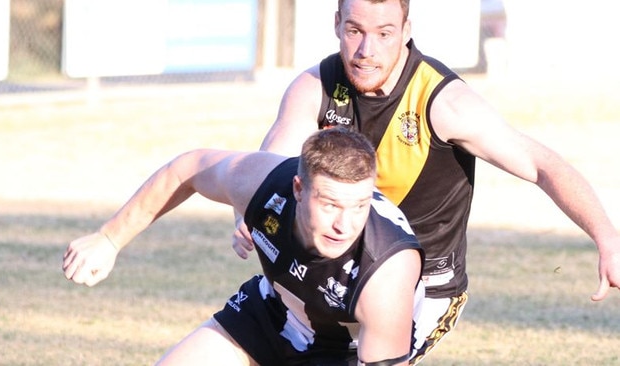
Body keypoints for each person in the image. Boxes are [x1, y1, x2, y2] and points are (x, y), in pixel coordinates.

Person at [230, 0, 620, 364]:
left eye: (384, 33)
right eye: (354, 31)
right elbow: (272, 168)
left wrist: (608, 239)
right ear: (337, 25)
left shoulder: (443, 102)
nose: (367, 50)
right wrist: (247, 213)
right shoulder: (314, 86)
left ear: (406, 30)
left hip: (426, 287)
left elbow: (541, 165)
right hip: (334, 271)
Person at [63, 127, 427, 365]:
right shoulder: (266, 185)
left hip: (345, 350)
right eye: (330, 204)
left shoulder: (386, 272)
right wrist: (110, 238)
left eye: (359, 206)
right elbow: (186, 169)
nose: (344, 224)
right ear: (298, 189)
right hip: (275, 309)